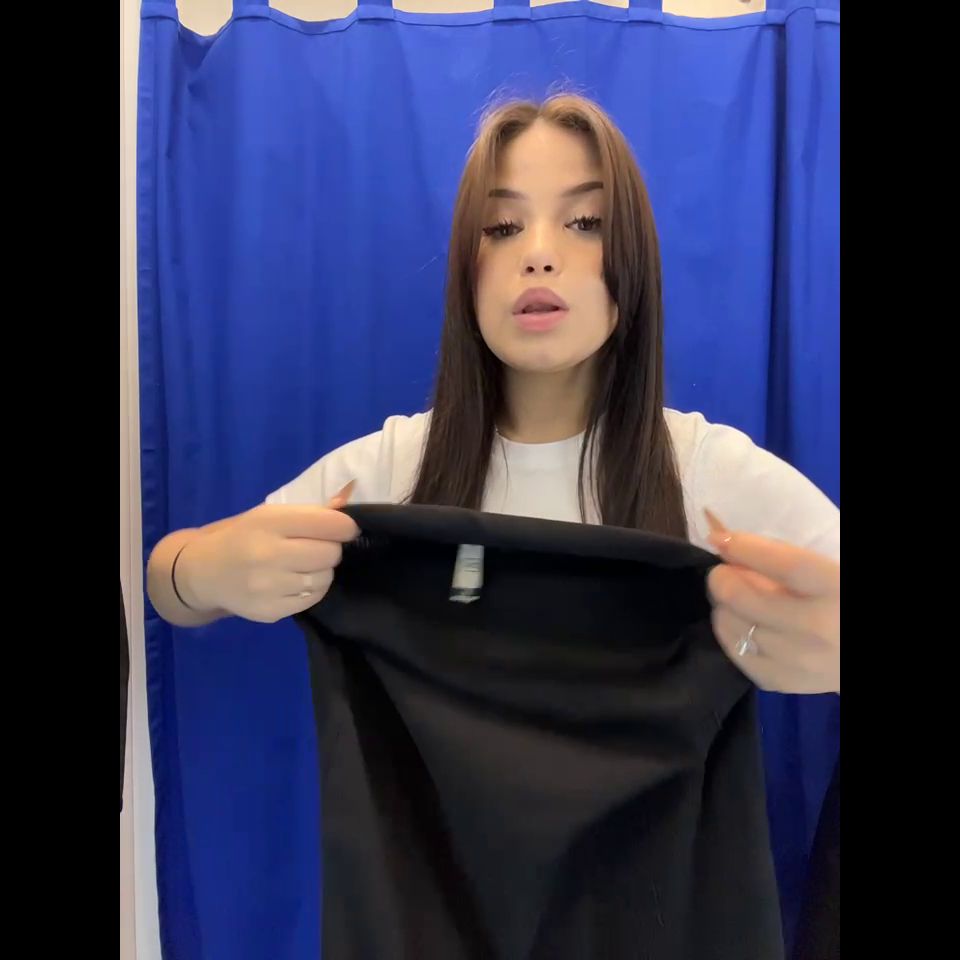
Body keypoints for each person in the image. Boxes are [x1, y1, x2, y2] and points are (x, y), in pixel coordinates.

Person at [146, 94, 839, 698]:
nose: (538, 253)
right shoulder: (395, 465)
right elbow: (168, 585)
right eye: (503, 228)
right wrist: (203, 572)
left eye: (586, 221)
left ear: (632, 261)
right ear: (466, 272)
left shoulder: (704, 471)